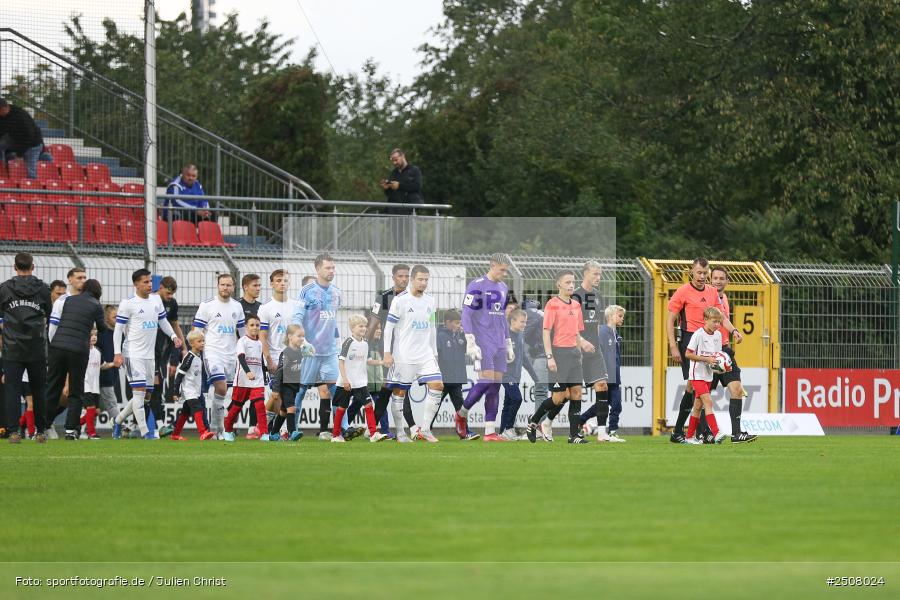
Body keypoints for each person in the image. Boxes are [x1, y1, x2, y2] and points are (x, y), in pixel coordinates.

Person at [667, 258, 743, 443]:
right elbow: (670, 320)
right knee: (696, 388)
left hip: (710, 342)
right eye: (699, 272)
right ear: (692, 272)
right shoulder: (683, 291)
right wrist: (673, 346)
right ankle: (703, 432)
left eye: (704, 273)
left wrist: (733, 330)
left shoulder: (711, 292)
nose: (702, 276)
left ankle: (681, 432)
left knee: (694, 388)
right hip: (691, 341)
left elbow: (721, 316)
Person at [112, 269, 182, 439]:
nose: (149, 284)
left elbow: (163, 322)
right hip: (133, 354)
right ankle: (145, 432)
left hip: (150, 356)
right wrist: (117, 353)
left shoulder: (156, 300)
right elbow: (118, 330)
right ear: (136, 284)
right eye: (145, 282)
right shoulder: (128, 303)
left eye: (150, 281)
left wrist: (173, 336)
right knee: (139, 391)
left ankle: (118, 420)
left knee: (146, 396)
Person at [526, 269, 593, 444]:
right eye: (567, 282)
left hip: (573, 354)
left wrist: (579, 352)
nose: (571, 285)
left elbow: (577, 332)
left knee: (577, 393)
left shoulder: (576, 305)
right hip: (558, 353)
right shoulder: (552, 304)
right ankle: (533, 422)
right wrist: (550, 357)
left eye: (573, 282)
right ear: (559, 285)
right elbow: (546, 332)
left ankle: (573, 435)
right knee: (558, 397)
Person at [455, 253, 514, 441]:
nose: (504, 274)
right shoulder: (476, 285)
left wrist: (508, 342)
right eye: (502, 270)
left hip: (499, 342)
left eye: (507, 270)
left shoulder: (504, 287)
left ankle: (490, 431)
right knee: (487, 380)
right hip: (482, 341)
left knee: (495, 385)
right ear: (492, 265)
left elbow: (502, 317)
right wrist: (470, 340)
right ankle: (461, 414)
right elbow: (466, 314)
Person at [382, 265, 443, 443]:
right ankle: (401, 433)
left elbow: (432, 328)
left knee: (437, 385)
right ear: (412, 280)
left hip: (425, 354)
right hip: (404, 355)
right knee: (400, 393)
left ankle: (425, 429)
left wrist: (435, 352)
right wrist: (387, 352)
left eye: (426, 280)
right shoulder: (400, 300)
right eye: (420, 279)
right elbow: (389, 328)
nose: (424, 283)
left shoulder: (430, 301)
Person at [46, 278, 107, 440]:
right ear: (98, 293)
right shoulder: (95, 305)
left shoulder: (68, 300)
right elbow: (102, 328)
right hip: (78, 350)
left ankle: (42, 426)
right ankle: (70, 430)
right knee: (76, 391)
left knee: (52, 387)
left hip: (57, 347)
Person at [0, 253, 52, 443]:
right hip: (36, 347)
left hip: (12, 348)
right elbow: (49, 314)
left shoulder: (5, 288)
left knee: (12, 390)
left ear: (14, 267)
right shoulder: (43, 289)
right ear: (33, 266)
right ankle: (40, 432)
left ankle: (13, 432)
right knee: (39, 390)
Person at [291, 254, 341, 441]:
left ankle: (339, 431)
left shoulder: (337, 292)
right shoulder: (307, 291)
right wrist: (302, 342)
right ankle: (292, 428)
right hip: (309, 352)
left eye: (333, 267)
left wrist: (338, 342)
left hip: (329, 352)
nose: (331, 271)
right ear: (318, 269)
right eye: (328, 268)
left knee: (336, 391)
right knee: (300, 390)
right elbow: (296, 318)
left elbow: (333, 320)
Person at [367, 264, 418, 439]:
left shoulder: (414, 297)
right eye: (400, 276)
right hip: (388, 350)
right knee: (399, 387)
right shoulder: (384, 298)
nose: (404, 279)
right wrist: (365, 345)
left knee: (388, 389)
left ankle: (371, 427)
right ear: (393, 277)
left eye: (406, 276)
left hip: (408, 349)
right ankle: (412, 427)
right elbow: (373, 322)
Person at [192, 273, 245, 438]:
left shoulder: (237, 307)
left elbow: (242, 335)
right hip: (212, 353)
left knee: (222, 392)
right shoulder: (207, 305)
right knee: (221, 387)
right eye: (223, 284)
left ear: (233, 287)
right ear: (218, 285)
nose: (225, 288)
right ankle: (218, 429)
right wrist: (195, 350)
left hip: (230, 356)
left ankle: (215, 429)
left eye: (229, 285)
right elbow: (196, 331)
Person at [709, 266, 758, 444]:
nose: (718, 281)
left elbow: (724, 322)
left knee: (736, 389)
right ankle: (699, 433)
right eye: (715, 278)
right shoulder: (707, 298)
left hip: (725, 351)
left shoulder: (724, 298)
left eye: (722, 278)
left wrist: (733, 334)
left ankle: (736, 433)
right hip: (710, 352)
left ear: (727, 281)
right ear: (710, 280)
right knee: (702, 396)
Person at [332, 315, 387, 443]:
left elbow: (367, 361)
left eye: (365, 326)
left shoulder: (365, 343)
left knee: (368, 405)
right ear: (352, 328)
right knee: (342, 408)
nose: (363, 328)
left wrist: (381, 362)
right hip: (347, 382)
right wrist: (345, 380)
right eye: (360, 326)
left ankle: (373, 434)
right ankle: (335, 436)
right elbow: (341, 362)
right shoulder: (348, 342)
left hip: (360, 382)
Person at [258, 270, 297, 439]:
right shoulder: (266, 308)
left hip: (293, 358)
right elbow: (263, 336)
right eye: (279, 280)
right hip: (274, 357)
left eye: (285, 280)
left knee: (287, 397)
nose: (282, 283)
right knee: (276, 396)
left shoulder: (296, 306)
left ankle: (271, 430)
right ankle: (270, 429)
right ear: (272, 284)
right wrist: (268, 359)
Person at [579, 305, 627, 442]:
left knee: (611, 404)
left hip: (615, 376)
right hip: (604, 375)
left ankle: (581, 420)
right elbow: (596, 352)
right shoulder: (602, 332)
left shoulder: (615, 333)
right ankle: (612, 431)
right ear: (611, 316)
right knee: (609, 404)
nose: (622, 318)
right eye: (620, 316)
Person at [684, 307, 728, 444]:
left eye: (719, 322)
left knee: (697, 406)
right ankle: (716, 432)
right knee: (708, 402)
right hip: (697, 374)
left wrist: (722, 366)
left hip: (708, 375)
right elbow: (688, 354)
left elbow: (717, 357)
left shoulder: (718, 335)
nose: (717, 325)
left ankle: (689, 437)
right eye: (714, 321)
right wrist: (706, 360)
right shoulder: (698, 334)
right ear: (705, 320)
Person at [223, 315, 269, 442]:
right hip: (242, 380)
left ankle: (265, 434)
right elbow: (241, 357)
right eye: (252, 325)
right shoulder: (242, 341)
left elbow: (260, 361)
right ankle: (227, 430)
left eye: (257, 325)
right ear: (246, 327)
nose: (255, 328)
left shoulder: (260, 343)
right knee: (237, 407)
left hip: (257, 381)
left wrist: (267, 371)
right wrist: (248, 372)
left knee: (260, 405)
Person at [268, 324, 314, 441]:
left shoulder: (300, 351)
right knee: (292, 408)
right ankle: (292, 432)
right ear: (290, 337)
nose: (302, 339)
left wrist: (309, 349)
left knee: (283, 412)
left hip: (294, 386)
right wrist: (276, 389)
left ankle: (273, 434)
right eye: (299, 336)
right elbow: (279, 371)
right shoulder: (286, 353)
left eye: (303, 336)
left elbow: (312, 352)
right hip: (285, 385)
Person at [152, 276, 186, 437]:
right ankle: (124, 421)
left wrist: (183, 348)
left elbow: (174, 325)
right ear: (160, 287)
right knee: (149, 389)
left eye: (172, 294)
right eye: (168, 293)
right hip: (145, 352)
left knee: (154, 389)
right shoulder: (150, 301)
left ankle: (156, 426)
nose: (170, 297)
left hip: (160, 353)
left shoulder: (171, 304)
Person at [434, 309, 475, 437]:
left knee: (460, 408)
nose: (459, 326)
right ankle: (426, 429)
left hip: (456, 379)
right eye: (457, 323)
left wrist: (466, 336)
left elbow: (469, 349)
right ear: (448, 322)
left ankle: (465, 432)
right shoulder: (440, 336)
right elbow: (436, 357)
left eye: (460, 323)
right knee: (435, 406)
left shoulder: (461, 336)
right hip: (443, 379)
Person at [170, 329, 216, 441]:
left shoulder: (198, 357)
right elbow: (179, 375)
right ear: (191, 344)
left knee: (185, 413)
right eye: (199, 341)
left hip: (196, 390)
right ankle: (203, 432)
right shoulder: (189, 357)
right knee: (198, 409)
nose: (203, 343)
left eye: (203, 341)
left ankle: (175, 434)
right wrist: (176, 391)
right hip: (189, 390)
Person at [499, 309, 537, 440]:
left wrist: (534, 375)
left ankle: (502, 433)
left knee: (508, 404)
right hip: (506, 375)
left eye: (525, 322)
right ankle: (509, 428)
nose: (524, 324)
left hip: (516, 376)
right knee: (517, 399)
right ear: (513, 321)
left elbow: (524, 358)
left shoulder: (520, 335)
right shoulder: (505, 335)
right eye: (522, 322)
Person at [238, 273, 262, 436]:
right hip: (239, 355)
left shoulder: (262, 307)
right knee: (239, 395)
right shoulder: (237, 306)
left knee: (256, 391)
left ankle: (252, 427)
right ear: (245, 287)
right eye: (255, 285)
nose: (258, 288)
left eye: (259, 285)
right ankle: (227, 425)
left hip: (256, 355)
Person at [0, 98, 44, 179]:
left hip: (32, 144)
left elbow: (28, 137)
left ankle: (31, 187)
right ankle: (2, 168)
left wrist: (19, 154)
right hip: (14, 138)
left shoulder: (20, 116)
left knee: (30, 170)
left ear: (4, 108)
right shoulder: (3, 115)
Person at [97, 304, 122, 433]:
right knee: (112, 403)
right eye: (114, 317)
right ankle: (119, 428)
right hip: (102, 375)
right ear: (106, 318)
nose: (117, 319)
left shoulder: (119, 334)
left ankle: (77, 427)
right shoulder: (100, 334)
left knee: (96, 409)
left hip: (112, 374)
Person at [79, 330, 106, 440]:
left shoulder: (97, 351)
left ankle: (73, 425)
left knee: (96, 411)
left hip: (95, 386)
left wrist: (114, 363)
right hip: (85, 384)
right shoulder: (81, 351)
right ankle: (91, 433)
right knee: (90, 408)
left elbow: (103, 366)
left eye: (95, 335)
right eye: (91, 335)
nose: (94, 337)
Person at [380, 148, 423, 215]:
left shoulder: (414, 170)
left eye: (396, 160)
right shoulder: (394, 173)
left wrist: (400, 186)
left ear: (403, 156)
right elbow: (390, 194)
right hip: (393, 211)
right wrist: (387, 188)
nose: (394, 163)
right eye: (393, 161)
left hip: (409, 210)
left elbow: (417, 186)